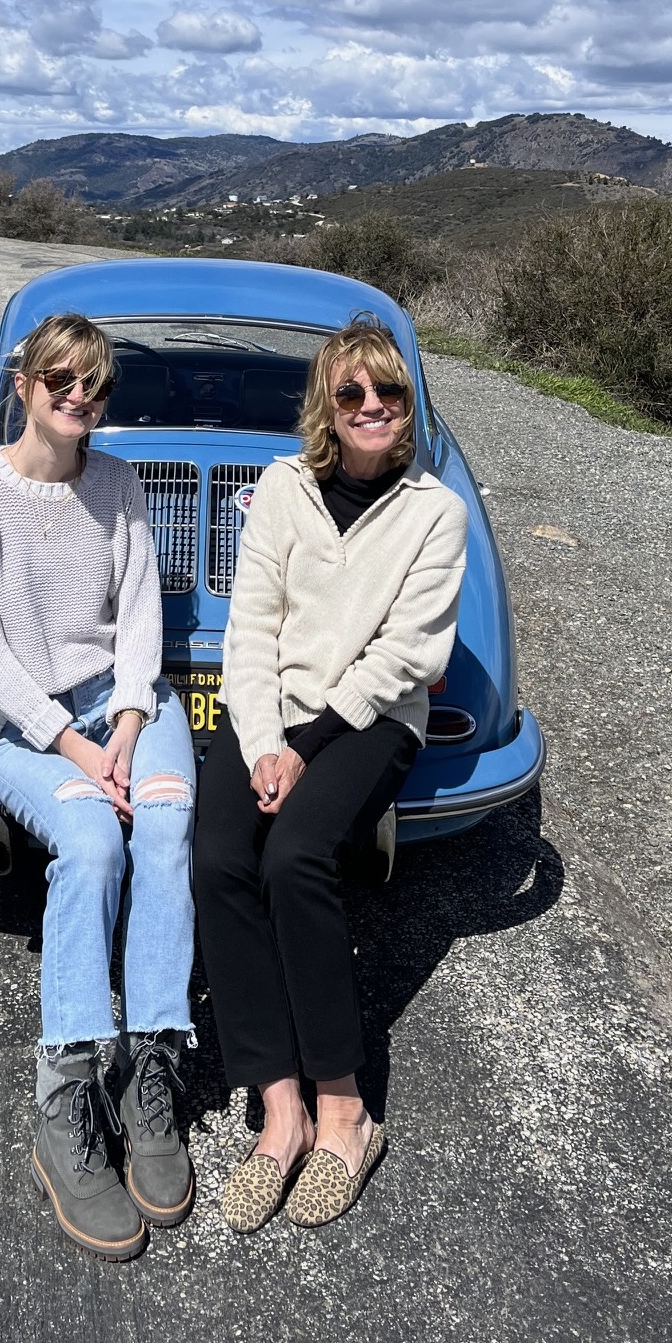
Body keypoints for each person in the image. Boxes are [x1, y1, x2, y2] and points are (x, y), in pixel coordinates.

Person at [0, 312, 197, 1262]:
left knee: (164, 828)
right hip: (29, 729)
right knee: (90, 844)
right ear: (22, 383)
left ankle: (151, 1070)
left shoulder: (119, 483)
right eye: (61, 380)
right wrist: (79, 754)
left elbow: (138, 618)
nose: (79, 397)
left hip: (128, 711)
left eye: (94, 384)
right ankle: (66, 1089)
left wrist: (125, 729)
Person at [193, 317, 468, 1232]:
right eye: (350, 394)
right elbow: (251, 625)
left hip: (369, 721)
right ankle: (279, 1108)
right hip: (272, 712)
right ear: (327, 405)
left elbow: (407, 656)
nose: (371, 408)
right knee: (220, 858)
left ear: (408, 403)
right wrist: (263, 736)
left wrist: (301, 750)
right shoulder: (281, 489)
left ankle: (346, 1110)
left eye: (387, 392)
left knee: (296, 857)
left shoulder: (437, 512)